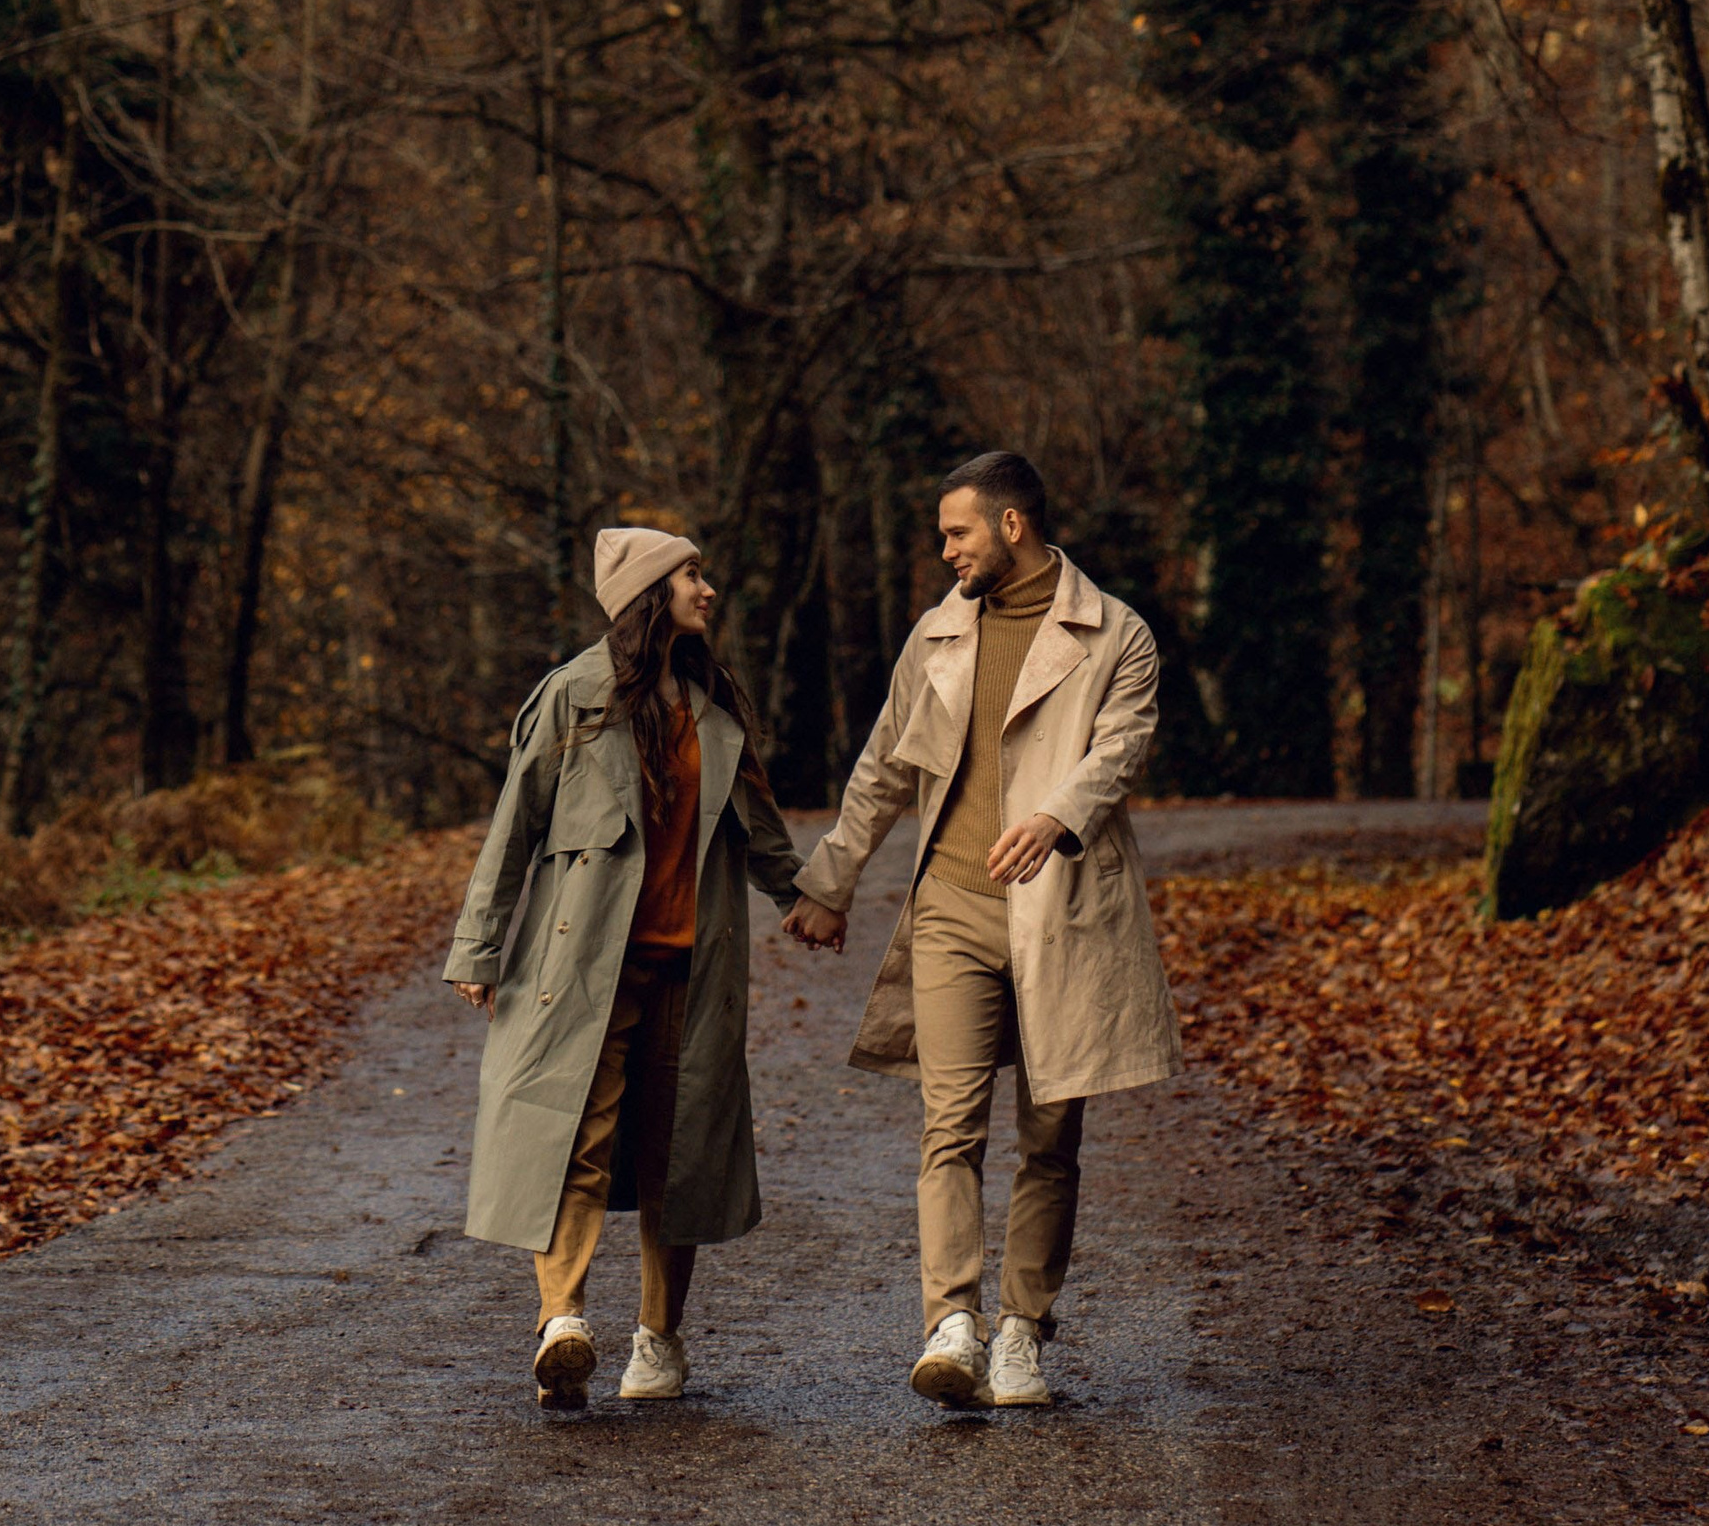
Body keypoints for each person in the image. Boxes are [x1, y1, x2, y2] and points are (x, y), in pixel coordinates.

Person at [785, 449, 1182, 1410]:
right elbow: (884, 767)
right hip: (952, 910)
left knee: (1051, 1137)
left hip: (1067, 915)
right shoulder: (936, 634)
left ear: (1011, 526)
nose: (947, 551)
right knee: (948, 1125)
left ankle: (1022, 1333)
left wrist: (1056, 817)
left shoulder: (1114, 632)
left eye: (957, 533)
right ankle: (950, 1324)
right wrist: (831, 882)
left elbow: (1122, 746)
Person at [446, 523, 816, 1408]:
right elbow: (515, 827)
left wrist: (807, 899)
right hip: (583, 969)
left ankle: (659, 1339)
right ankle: (562, 1321)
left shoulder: (715, 704)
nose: (708, 587)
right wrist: (480, 945)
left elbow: (761, 833)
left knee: (675, 1153)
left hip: (693, 968)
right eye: (692, 574)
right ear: (651, 595)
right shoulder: (571, 697)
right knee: (572, 1131)